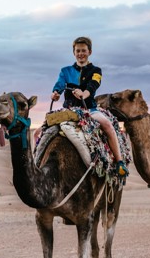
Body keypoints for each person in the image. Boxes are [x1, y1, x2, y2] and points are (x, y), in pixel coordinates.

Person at [51, 36, 129, 176]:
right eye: (78, 51)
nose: (81, 54)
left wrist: (84, 94)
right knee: (38, 132)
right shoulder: (65, 71)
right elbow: (59, 86)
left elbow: (93, 85)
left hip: (89, 110)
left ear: (90, 52)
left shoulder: (96, 70)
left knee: (107, 125)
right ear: (73, 52)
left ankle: (119, 162)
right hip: (68, 110)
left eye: (83, 51)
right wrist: (55, 94)